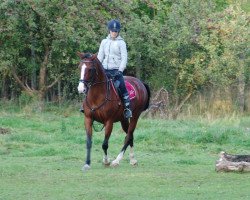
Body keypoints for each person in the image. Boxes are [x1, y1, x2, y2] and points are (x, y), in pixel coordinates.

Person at [97, 19, 132, 119]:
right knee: (93, 84)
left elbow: (124, 58)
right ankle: (86, 105)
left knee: (122, 87)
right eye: (112, 31)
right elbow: (100, 57)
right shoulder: (104, 42)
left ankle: (127, 108)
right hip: (104, 70)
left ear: (118, 32)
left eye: (116, 31)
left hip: (116, 70)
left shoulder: (122, 43)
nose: (114, 33)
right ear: (109, 30)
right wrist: (99, 69)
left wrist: (120, 70)